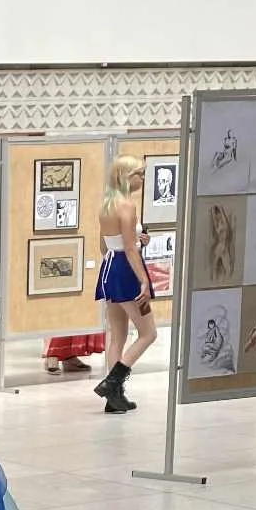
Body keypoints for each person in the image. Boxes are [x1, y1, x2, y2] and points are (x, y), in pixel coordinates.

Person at [92, 155, 155, 413]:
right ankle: (113, 381)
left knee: (118, 335)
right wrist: (144, 281)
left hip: (108, 269)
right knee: (148, 333)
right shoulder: (127, 206)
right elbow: (130, 249)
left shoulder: (106, 206)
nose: (142, 179)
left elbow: (104, 245)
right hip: (127, 271)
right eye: (140, 174)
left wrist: (138, 240)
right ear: (127, 177)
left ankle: (114, 397)